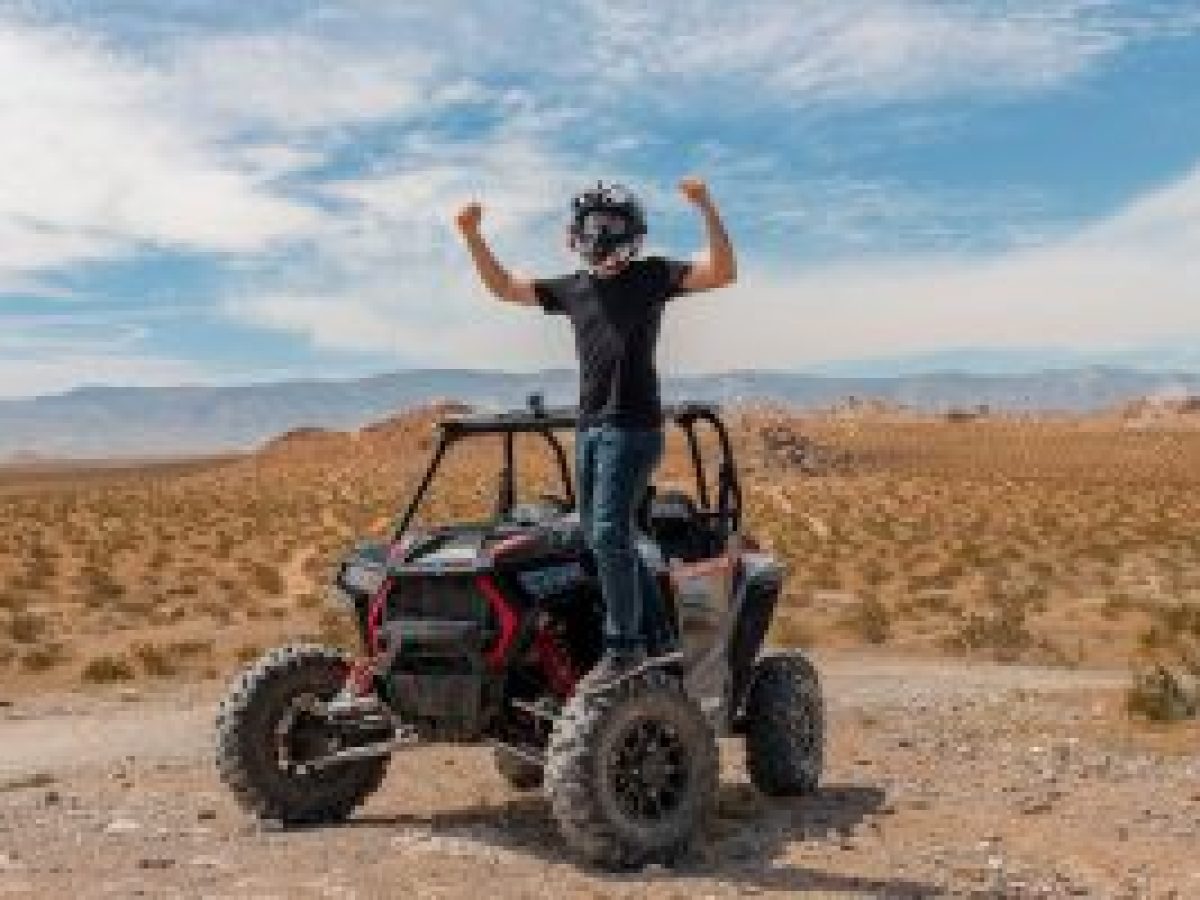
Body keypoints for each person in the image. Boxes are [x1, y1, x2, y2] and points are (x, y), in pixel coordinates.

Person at [455, 176, 736, 687]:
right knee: (598, 536)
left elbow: (722, 272)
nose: (599, 233)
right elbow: (503, 288)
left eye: (609, 224)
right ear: (577, 232)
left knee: (607, 532)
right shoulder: (575, 289)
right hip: (589, 429)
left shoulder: (651, 277)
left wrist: (705, 206)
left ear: (631, 230)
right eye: (591, 224)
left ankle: (623, 647)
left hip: (633, 429)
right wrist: (472, 236)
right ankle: (656, 638)